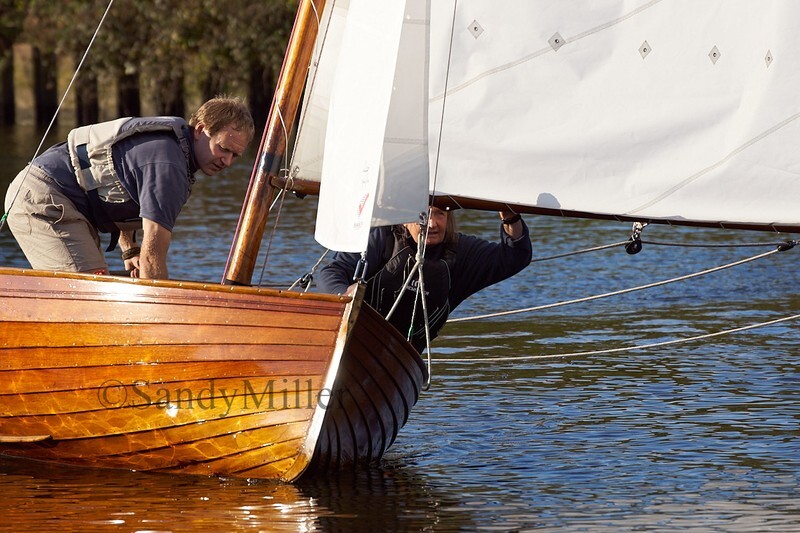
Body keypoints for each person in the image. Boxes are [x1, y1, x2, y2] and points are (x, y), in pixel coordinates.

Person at [3, 96, 254, 279]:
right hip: (45, 200)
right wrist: (163, 318)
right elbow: (152, 259)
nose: (227, 161)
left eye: (235, 156)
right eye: (223, 149)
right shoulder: (170, 166)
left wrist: (129, 249)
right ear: (201, 130)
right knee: (89, 295)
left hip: (64, 202)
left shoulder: (175, 150)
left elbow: (119, 190)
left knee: (99, 284)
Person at [316, 206, 532, 352]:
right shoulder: (381, 238)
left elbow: (515, 256)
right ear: (404, 217)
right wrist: (344, 296)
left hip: (401, 358)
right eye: (422, 214)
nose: (431, 223)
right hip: (352, 341)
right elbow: (331, 272)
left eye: (439, 214)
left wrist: (510, 216)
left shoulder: (461, 253)